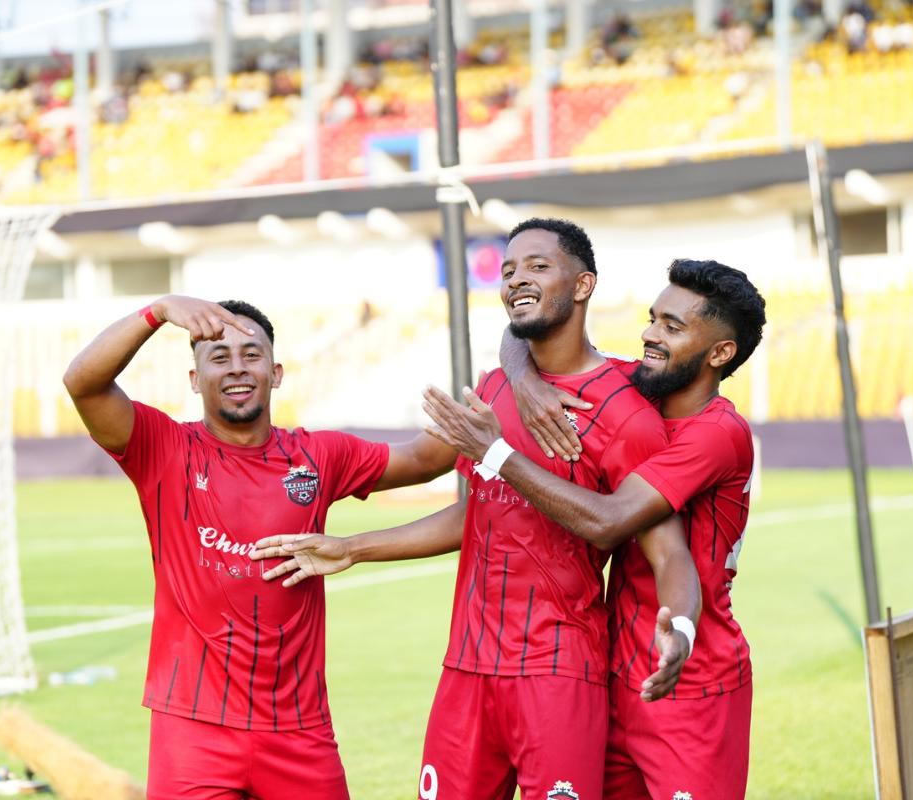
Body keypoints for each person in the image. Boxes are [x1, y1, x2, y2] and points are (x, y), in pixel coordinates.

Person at [251, 219, 699, 800]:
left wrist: (680, 626)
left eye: (538, 266)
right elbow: (478, 514)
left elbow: (668, 550)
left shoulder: (627, 411)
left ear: (584, 285)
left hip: (557, 670)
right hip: (466, 667)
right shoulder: (494, 386)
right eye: (508, 270)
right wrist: (352, 548)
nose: (516, 279)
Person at [62, 295, 456, 800]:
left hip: (299, 729)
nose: (236, 368)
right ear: (193, 378)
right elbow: (83, 383)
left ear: (276, 372)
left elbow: (424, 459)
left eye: (251, 354)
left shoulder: (319, 455)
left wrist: (508, 392)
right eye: (218, 357)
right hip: (193, 729)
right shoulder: (162, 448)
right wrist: (157, 313)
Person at [421, 259, 766, 800]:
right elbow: (521, 335)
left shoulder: (717, 433)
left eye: (672, 328)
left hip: (689, 676)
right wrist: (525, 382)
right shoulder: (640, 385)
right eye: (653, 318)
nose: (651, 334)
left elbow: (609, 524)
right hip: (613, 673)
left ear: (719, 353)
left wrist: (495, 451)